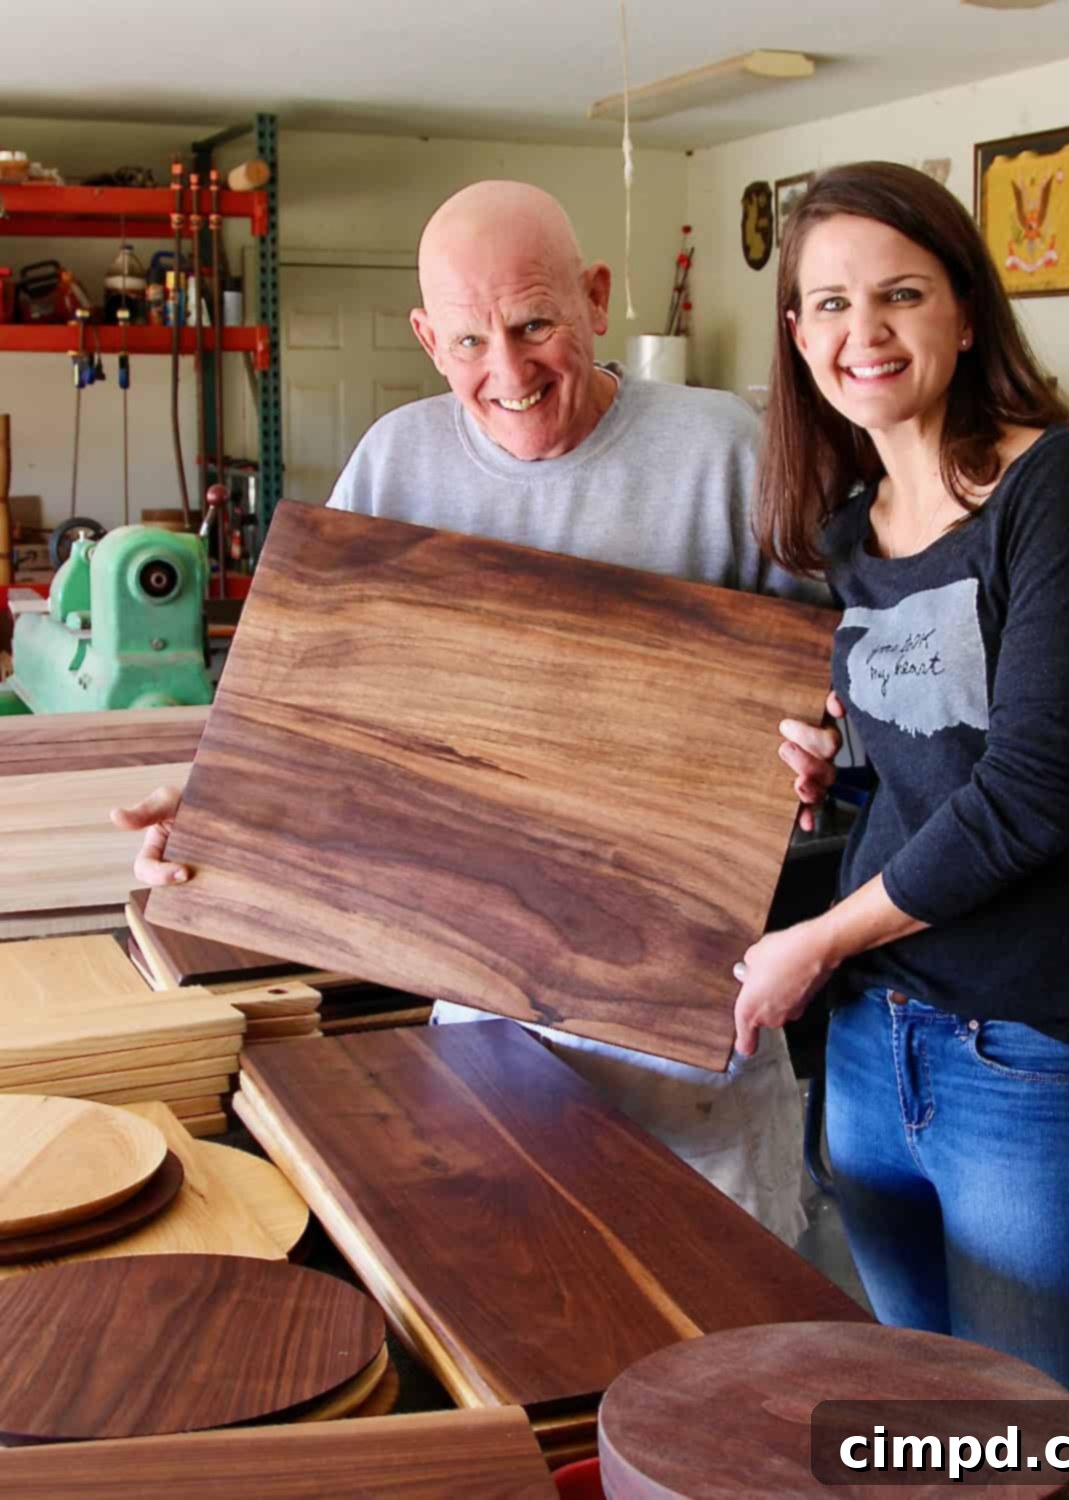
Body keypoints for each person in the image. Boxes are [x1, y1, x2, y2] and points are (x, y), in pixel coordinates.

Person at [114, 180, 833, 1248]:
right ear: (423, 336)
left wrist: (820, 750)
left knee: (722, 1341)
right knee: (518, 1306)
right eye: (466, 340)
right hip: (484, 1010)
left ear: (593, 299)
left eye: (536, 322)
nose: (506, 369)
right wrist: (216, 807)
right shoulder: (396, 463)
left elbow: (836, 678)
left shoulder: (725, 450)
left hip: (692, 1017)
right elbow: (310, 716)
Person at [732, 160, 1069, 1442]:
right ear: (799, 335)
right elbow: (920, 765)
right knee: (931, 1427)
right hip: (880, 1039)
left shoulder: (1062, 488)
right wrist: (835, 766)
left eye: (899, 295)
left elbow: (1031, 794)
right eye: (828, 305)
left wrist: (814, 940)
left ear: (965, 311)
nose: (863, 333)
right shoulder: (857, 524)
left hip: (1030, 1046)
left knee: (1046, 1442)